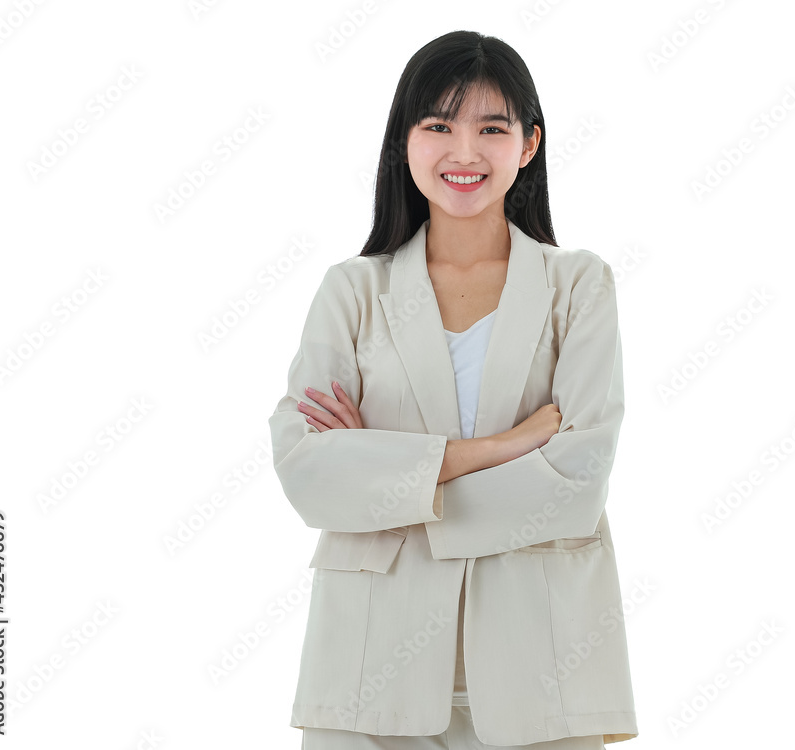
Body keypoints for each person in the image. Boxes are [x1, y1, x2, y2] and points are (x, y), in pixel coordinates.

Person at [268, 29, 638, 748]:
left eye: (491, 128)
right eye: (438, 125)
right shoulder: (355, 290)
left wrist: (384, 477)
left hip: (544, 671)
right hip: (371, 670)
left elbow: (576, 483)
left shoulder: (577, 286)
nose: (463, 152)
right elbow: (308, 475)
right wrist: (505, 447)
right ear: (403, 140)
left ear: (528, 145)